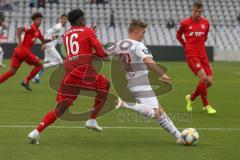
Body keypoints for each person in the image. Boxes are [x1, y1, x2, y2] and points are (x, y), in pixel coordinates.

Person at [28, 9, 110, 144]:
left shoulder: (66, 34)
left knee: (60, 108)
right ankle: (92, 119)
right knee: (105, 84)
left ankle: (36, 132)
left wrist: (91, 37)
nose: (85, 20)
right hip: (82, 73)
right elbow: (101, 53)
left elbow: (79, 52)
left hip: (69, 76)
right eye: (83, 18)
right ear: (80, 20)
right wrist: (104, 48)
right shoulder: (87, 31)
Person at [112, 19, 184, 144]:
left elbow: (102, 52)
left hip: (132, 82)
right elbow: (148, 61)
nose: (143, 36)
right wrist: (163, 73)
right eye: (143, 33)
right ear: (136, 32)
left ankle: (178, 135)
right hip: (141, 82)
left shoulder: (119, 44)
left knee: (160, 112)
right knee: (155, 113)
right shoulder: (138, 46)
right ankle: (124, 104)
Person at [176, 1, 216, 114]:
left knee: (209, 82)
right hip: (192, 55)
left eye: (199, 11)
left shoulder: (206, 23)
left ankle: (191, 98)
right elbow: (178, 35)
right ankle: (206, 105)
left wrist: (200, 46)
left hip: (203, 54)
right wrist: (186, 46)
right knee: (203, 78)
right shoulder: (184, 23)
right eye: (195, 11)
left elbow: (205, 37)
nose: (197, 13)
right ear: (192, 11)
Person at [0, 12, 57, 91]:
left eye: (40, 20)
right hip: (24, 51)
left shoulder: (37, 30)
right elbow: (19, 29)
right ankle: (26, 81)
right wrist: (19, 41)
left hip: (19, 52)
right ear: (33, 20)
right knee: (40, 65)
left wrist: (53, 38)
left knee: (12, 71)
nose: (39, 21)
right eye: (38, 20)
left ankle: (25, 81)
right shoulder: (31, 27)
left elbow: (43, 41)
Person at [32, 13, 68, 83]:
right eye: (63, 19)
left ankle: (36, 78)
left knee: (47, 62)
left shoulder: (62, 27)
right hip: (49, 46)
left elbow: (55, 35)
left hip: (50, 46)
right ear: (60, 19)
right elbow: (48, 32)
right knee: (60, 62)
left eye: (66, 19)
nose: (65, 20)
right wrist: (44, 43)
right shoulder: (58, 26)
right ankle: (64, 80)